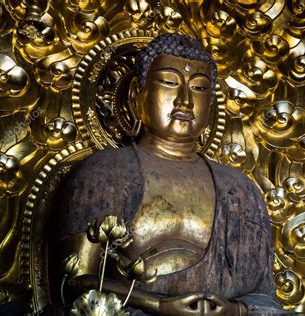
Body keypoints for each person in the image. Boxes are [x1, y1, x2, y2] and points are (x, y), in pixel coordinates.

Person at [55, 33, 283, 315]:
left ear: (210, 105)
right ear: (138, 94)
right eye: (169, 82)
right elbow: (72, 286)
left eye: (200, 88)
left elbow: (265, 300)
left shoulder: (240, 189)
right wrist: (157, 305)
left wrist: (236, 311)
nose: (186, 100)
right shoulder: (106, 171)